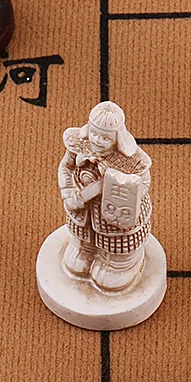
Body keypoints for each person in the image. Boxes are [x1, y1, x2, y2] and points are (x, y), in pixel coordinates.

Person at [58, 101, 152, 291]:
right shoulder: (78, 146)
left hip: (113, 210)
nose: (98, 141)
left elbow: (143, 181)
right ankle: (86, 250)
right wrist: (68, 193)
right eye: (94, 134)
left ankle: (119, 264)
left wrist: (122, 189)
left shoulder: (132, 161)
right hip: (82, 207)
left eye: (105, 138)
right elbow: (66, 168)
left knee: (117, 242)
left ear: (117, 138)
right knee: (81, 238)